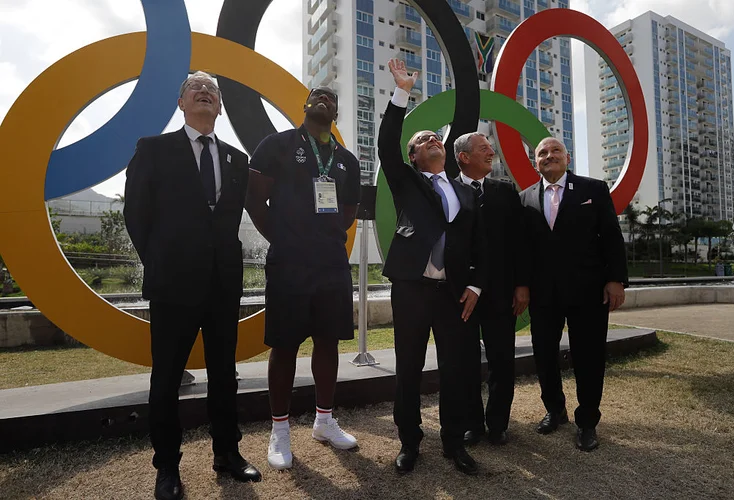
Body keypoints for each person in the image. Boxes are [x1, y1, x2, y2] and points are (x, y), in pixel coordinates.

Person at [124, 71, 261, 500]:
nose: (204, 92)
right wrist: (162, 261)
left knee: (224, 374)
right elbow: (136, 215)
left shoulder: (238, 159)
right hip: (172, 285)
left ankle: (228, 453)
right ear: (181, 103)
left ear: (219, 106)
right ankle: (167, 468)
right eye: (194, 88)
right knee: (166, 379)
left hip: (223, 285)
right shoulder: (154, 149)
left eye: (212, 91)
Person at [379, 59, 488, 476]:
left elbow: (479, 245)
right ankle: (409, 443)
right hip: (412, 287)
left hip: (453, 293)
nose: (432, 141)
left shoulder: (465, 191)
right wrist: (402, 92)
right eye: (424, 140)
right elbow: (387, 144)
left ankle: (453, 442)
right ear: (415, 155)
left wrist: (476, 286)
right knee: (408, 368)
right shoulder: (407, 181)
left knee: (456, 370)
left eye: (436, 139)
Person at [246, 85, 361, 470]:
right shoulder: (276, 145)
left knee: (328, 342)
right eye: (319, 94)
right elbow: (253, 200)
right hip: (289, 263)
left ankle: (324, 421)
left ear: (337, 111)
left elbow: (347, 213)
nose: (326, 98)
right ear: (307, 105)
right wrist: (283, 237)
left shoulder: (346, 160)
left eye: (333, 96)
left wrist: (321, 237)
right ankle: (279, 430)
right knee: (285, 345)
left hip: (330, 263)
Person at [518, 137, 628, 452]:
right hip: (543, 294)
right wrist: (522, 284)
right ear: (534, 162)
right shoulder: (524, 198)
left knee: (589, 356)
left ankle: (587, 421)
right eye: (542, 153)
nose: (548, 156)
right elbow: (522, 249)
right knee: (543, 354)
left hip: (588, 290)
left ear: (568, 157)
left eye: (555, 151)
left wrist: (616, 279)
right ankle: (555, 409)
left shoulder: (593, 189)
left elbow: (611, 236)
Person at [453, 132, 530, 447]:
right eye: (483, 148)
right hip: (462, 295)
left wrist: (522, 285)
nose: (491, 151)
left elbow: (519, 243)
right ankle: (472, 423)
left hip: (500, 292)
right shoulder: (447, 191)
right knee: (465, 361)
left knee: (502, 359)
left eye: (491, 147)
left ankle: (498, 423)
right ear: (464, 157)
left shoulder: (505, 191)